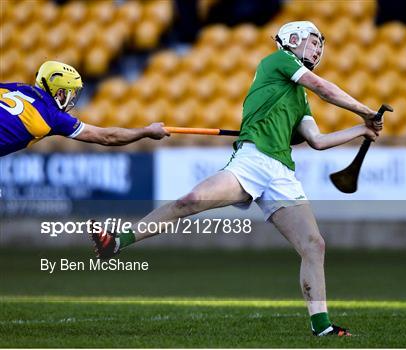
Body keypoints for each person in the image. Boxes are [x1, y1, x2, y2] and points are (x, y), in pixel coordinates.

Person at [91, 21, 383, 337]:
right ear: (293, 39)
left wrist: (361, 130)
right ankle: (117, 241)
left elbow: (317, 140)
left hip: (281, 173)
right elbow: (325, 88)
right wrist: (365, 111)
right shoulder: (279, 60)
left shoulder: (299, 97)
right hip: (251, 161)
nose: (318, 47)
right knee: (188, 202)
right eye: (313, 41)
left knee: (314, 245)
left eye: (320, 44)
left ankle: (322, 327)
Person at [0, 61, 169, 157]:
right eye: (71, 93)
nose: (73, 98)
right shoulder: (53, 116)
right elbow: (108, 137)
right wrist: (147, 131)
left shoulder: (14, 87)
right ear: (59, 93)